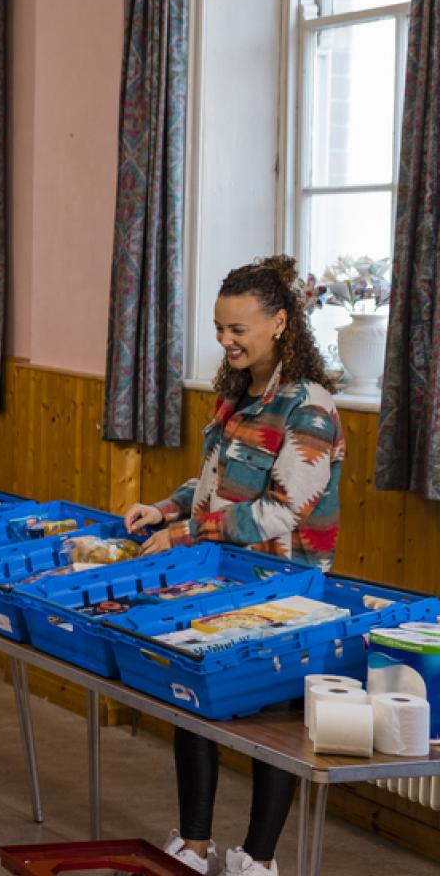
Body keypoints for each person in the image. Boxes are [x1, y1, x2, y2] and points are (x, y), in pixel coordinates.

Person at [123, 255, 344, 876]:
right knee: (196, 699)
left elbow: (281, 512)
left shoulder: (311, 409)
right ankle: (195, 847)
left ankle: (259, 861)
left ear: (278, 323)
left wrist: (188, 529)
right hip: (218, 580)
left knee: (272, 722)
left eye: (238, 329)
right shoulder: (236, 396)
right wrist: (166, 508)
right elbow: (215, 482)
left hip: (286, 587)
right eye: (219, 328)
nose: (225, 340)